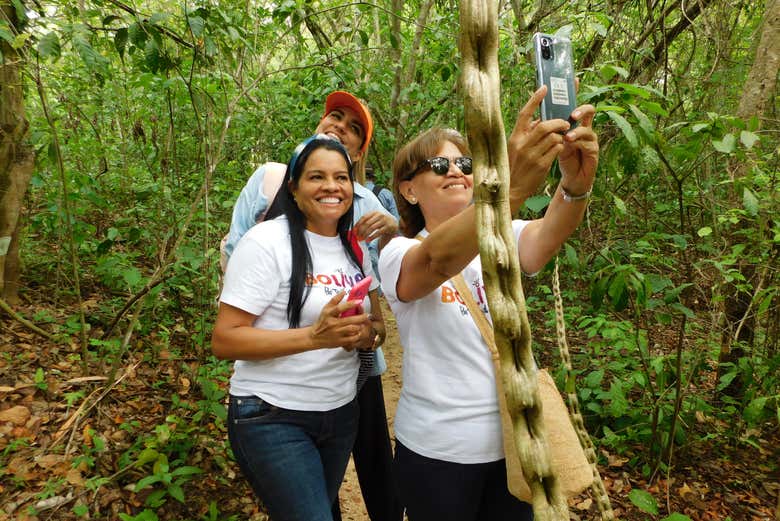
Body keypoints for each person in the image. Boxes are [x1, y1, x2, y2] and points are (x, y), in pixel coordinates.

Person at [377, 86, 599, 521]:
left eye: (465, 163)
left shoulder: (504, 232)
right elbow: (437, 260)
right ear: (409, 190)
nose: (456, 171)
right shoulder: (398, 253)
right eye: (438, 164)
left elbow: (547, 237)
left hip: (516, 445)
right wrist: (507, 189)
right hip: (436, 452)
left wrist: (576, 182)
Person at [222, 91, 403, 521]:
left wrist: (367, 332)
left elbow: (381, 309)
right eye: (316, 178)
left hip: (340, 404)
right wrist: (307, 332)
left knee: (339, 492)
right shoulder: (267, 219)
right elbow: (227, 331)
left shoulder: (359, 228)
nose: (331, 188)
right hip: (272, 411)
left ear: (356, 164)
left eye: (340, 178)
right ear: (295, 185)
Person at [363, 164, 400, 288]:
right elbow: (396, 221)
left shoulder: (353, 192)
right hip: (381, 240)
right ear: (373, 178)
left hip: (360, 239)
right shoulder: (385, 193)